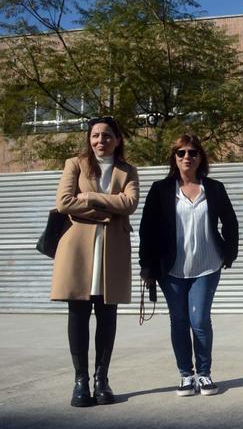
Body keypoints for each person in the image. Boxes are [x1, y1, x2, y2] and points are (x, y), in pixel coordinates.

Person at [139, 134, 239, 397]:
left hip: (207, 266)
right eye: (181, 152)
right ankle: (186, 375)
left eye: (193, 153)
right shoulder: (161, 189)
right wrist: (147, 265)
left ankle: (204, 374)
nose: (187, 157)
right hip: (171, 269)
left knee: (200, 320)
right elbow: (146, 229)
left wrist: (229, 253)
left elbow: (230, 222)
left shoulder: (214, 188)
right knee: (179, 321)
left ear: (200, 158)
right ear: (174, 157)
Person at [51, 116, 139, 407]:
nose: (101, 140)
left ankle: (102, 379)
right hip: (77, 250)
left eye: (107, 135)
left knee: (107, 314)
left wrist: (87, 197)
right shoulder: (74, 164)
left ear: (118, 139)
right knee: (77, 313)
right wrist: (105, 206)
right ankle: (80, 381)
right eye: (96, 136)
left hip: (111, 250)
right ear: (89, 139)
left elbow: (130, 204)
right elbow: (64, 202)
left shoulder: (128, 170)